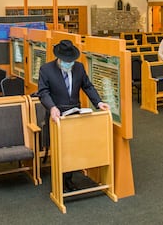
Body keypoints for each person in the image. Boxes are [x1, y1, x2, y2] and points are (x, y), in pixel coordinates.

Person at [37, 39, 111, 191]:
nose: (68, 64)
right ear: (59, 58)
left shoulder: (79, 67)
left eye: (71, 61)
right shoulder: (46, 69)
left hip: (75, 114)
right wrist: (52, 108)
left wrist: (98, 103)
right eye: (65, 61)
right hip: (56, 114)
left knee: (73, 147)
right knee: (60, 149)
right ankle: (59, 182)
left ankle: (68, 180)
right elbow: (43, 93)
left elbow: (87, 86)